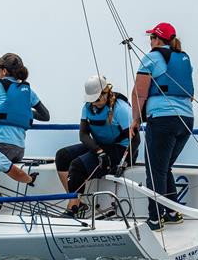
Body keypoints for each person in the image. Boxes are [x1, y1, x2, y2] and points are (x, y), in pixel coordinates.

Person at [130, 22, 194, 232]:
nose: (150, 41)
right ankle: (173, 213)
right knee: (164, 167)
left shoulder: (152, 58)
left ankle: (155, 219)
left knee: (155, 171)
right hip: (186, 121)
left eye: (152, 38)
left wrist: (135, 120)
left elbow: (139, 94)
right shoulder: (183, 59)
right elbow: (190, 94)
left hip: (162, 120)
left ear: (157, 40)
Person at [55, 75, 139, 216]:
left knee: (77, 166)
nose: (94, 103)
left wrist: (124, 163)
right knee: (62, 156)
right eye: (91, 100)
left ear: (106, 93)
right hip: (101, 147)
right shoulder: (88, 108)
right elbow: (83, 135)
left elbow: (136, 140)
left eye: (97, 99)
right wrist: (99, 151)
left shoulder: (121, 109)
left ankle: (72, 209)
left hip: (122, 149)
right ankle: (77, 202)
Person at [0, 53, 50, 163]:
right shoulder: (29, 92)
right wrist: (21, 111)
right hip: (19, 151)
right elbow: (46, 116)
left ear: (4, 71)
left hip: (1, 147)